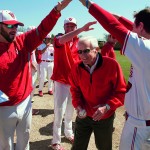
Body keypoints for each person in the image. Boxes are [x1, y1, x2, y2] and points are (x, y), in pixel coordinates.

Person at [0, 0, 72, 149]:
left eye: (15, 25)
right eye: (9, 25)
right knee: (5, 144)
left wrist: (57, 10)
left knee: (24, 139)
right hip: (3, 107)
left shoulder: (22, 42)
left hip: (25, 102)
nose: (14, 28)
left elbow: (42, 29)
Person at [79, 0, 150, 149]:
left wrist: (87, 3)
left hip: (140, 126)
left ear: (141, 26)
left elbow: (112, 25)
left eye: (134, 28)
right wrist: (121, 18)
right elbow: (128, 25)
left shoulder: (144, 48)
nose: (132, 31)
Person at [69, 36, 126, 150]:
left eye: (86, 51)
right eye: (79, 52)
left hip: (104, 117)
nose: (82, 55)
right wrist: (78, 106)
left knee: (104, 147)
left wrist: (107, 106)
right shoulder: (76, 67)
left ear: (96, 49)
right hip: (84, 115)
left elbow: (121, 92)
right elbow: (75, 90)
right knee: (78, 147)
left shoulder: (112, 65)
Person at [50, 16, 96, 149]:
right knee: (59, 111)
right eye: (67, 26)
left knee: (71, 109)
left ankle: (68, 132)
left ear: (75, 27)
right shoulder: (59, 39)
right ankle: (55, 140)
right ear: (64, 28)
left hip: (75, 82)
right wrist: (81, 29)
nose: (70, 28)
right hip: (61, 80)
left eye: (72, 26)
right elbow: (62, 40)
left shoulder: (80, 43)